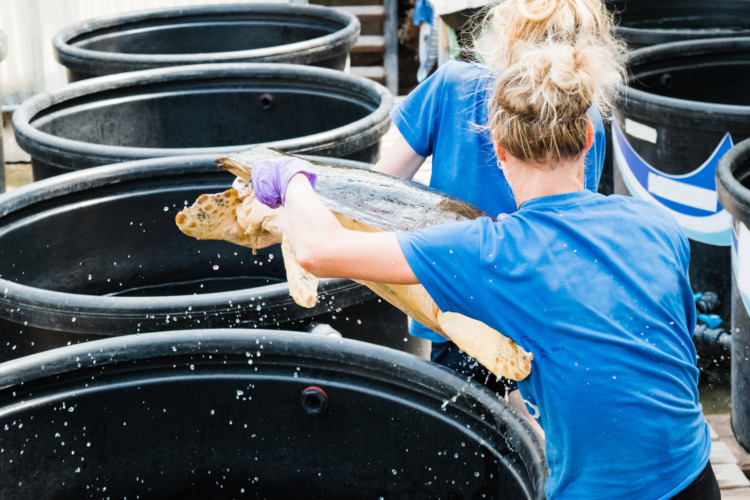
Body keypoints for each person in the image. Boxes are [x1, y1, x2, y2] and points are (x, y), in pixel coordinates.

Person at [243, 34, 718, 499]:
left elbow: (319, 251)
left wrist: (293, 179)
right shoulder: (658, 225)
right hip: (696, 476)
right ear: (591, 136)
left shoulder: (491, 251)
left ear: (499, 150)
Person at [374, 0, 616, 410]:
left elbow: (381, 188)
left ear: (506, 35)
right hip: (535, 311)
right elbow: (569, 226)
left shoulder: (452, 85)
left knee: (463, 437)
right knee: (534, 443)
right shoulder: (584, 119)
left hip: (451, 302)